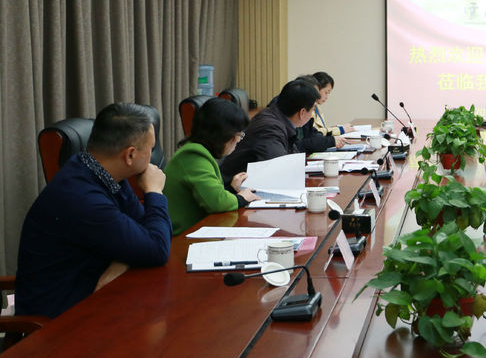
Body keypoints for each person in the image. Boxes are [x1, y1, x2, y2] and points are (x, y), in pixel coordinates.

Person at [15, 103, 172, 318]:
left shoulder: (99, 172)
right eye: (151, 149)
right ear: (130, 155)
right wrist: (154, 191)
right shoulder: (82, 198)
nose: (153, 157)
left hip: (93, 297)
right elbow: (157, 248)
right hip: (60, 318)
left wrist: (123, 260)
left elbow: (148, 233)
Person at [163, 98, 261, 235]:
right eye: (239, 134)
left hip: (198, 230)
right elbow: (217, 203)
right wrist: (242, 198)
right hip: (182, 238)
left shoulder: (197, 152)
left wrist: (231, 189)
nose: (238, 140)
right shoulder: (193, 156)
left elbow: (207, 195)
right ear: (223, 134)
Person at [221, 78, 320, 176]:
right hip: (235, 184)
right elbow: (279, 170)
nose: (312, 114)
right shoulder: (270, 128)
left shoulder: (277, 117)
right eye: (312, 109)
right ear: (302, 112)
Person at [311, 71, 354, 136]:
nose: (327, 97)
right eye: (326, 92)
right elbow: (314, 133)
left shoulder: (316, 106)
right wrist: (340, 130)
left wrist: (333, 128)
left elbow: (321, 130)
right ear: (316, 89)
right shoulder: (307, 108)